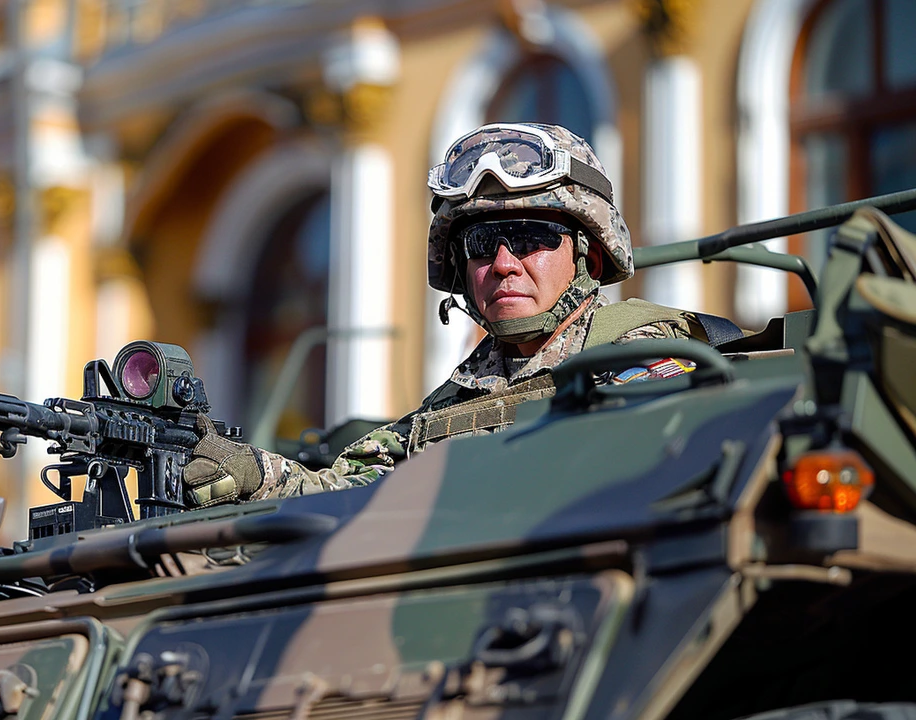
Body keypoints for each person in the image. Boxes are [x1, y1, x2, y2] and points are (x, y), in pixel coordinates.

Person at [182, 122, 728, 508]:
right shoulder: (451, 403)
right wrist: (254, 473)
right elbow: (345, 494)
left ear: (588, 251)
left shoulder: (649, 352)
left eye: (532, 237)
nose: (504, 264)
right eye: (483, 244)